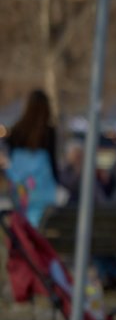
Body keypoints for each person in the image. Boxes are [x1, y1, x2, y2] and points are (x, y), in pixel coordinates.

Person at [4, 89, 59, 226]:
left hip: (19, 185)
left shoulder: (17, 130)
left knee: (21, 219)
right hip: (41, 188)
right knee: (37, 221)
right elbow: (52, 161)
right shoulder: (48, 132)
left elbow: (10, 158)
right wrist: (57, 182)